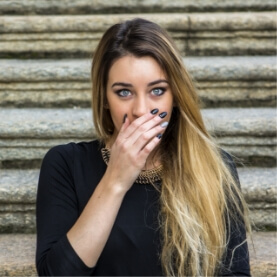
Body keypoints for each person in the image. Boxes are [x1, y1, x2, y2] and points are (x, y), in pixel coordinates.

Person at [36, 18, 251, 276]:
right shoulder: (65, 164)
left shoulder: (214, 168)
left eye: (157, 91)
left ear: (176, 96)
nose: (140, 110)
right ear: (104, 98)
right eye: (124, 92)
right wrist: (115, 180)